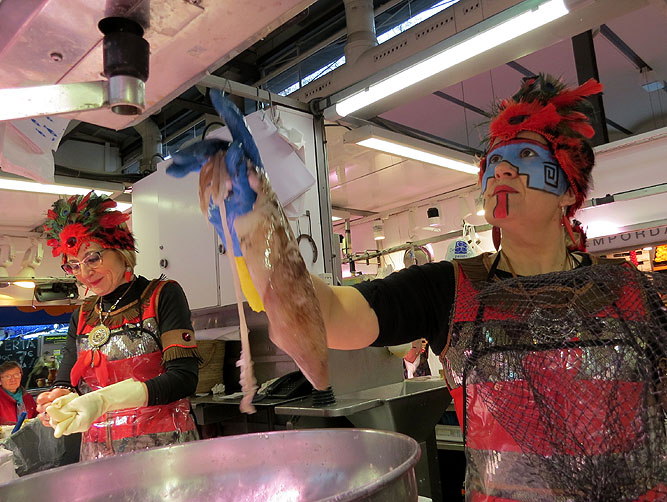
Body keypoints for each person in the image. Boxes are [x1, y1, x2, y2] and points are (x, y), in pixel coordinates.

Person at [171, 77, 666, 500]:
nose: (502, 170)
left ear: (568, 189)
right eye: (493, 161)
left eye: (526, 156)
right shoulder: (447, 289)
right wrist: (257, 217)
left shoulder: (629, 289)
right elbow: (330, 316)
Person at [35, 192, 201, 461]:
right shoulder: (82, 315)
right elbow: (67, 382)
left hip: (165, 452)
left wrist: (104, 400)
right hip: (98, 457)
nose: (84, 273)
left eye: (93, 258)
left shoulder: (161, 296)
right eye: (74, 265)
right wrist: (59, 400)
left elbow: (184, 378)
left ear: (121, 250)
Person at [0, 361, 37, 425]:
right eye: (7, 376)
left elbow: (36, 419)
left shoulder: (28, 397)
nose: (13, 379)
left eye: (16, 375)